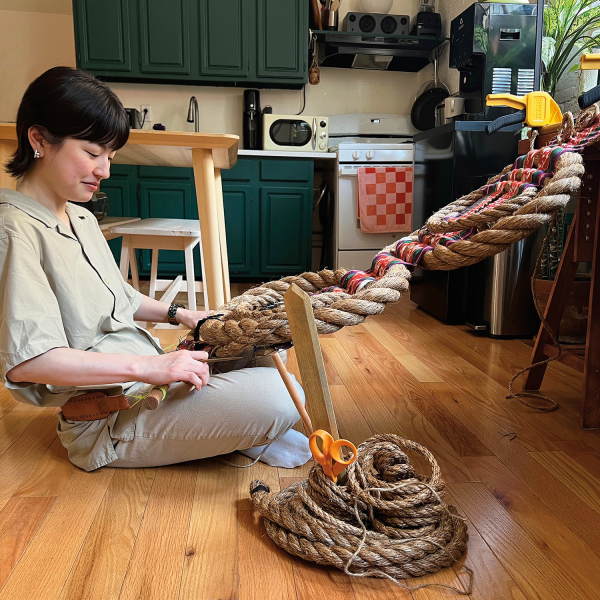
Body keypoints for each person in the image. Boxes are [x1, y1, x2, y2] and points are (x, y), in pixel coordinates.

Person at [0, 66, 309, 472]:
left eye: (109, 156)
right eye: (92, 153)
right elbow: (29, 362)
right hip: (110, 417)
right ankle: (237, 428)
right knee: (282, 397)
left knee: (261, 343)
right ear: (39, 139)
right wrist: (151, 366)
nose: (105, 170)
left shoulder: (81, 218)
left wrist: (184, 315)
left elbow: (120, 297)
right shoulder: (12, 228)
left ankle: (232, 427)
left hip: (149, 380)